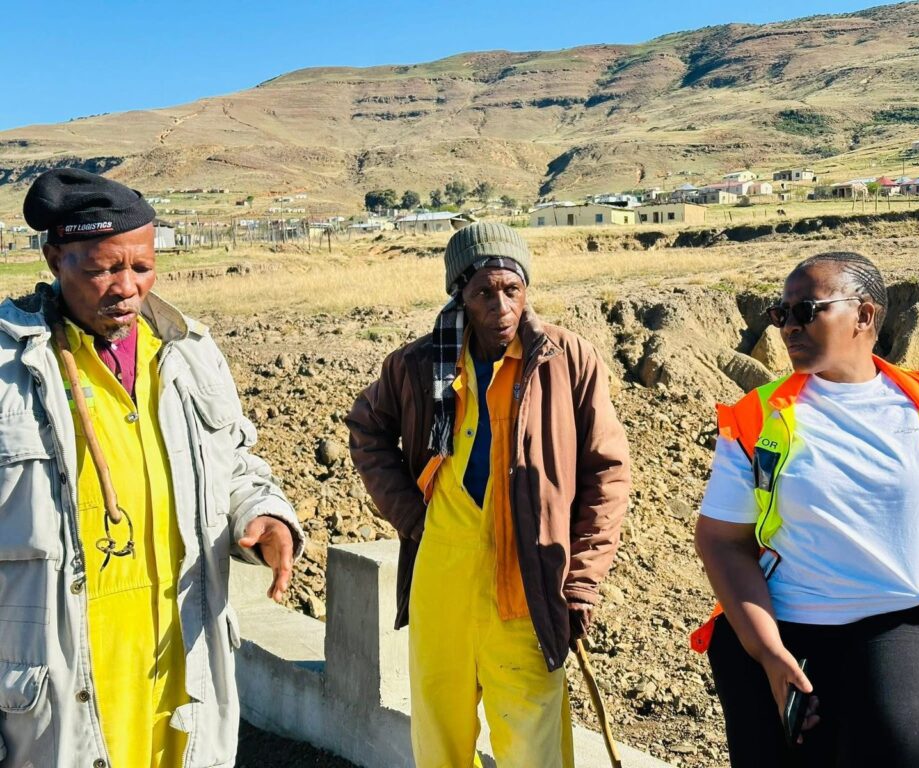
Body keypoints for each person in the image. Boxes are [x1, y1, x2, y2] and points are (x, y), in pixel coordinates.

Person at [0, 168, 304, 767]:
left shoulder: (189, 354)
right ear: (55, 258)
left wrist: (264, 515)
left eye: (141, 267)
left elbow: (234, 464)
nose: (126, 288)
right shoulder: (11, 370)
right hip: (57, 689)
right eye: (103, 269)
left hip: (179, 669)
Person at [693, 251, 919, 768]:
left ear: (864, 315)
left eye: (806, 311)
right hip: (787, 628)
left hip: (916, 619)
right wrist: (769, 653)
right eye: (781, 314)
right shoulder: (757, 418)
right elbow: (721, 540)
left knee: (911, 750)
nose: (787, 327)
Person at [346, 221, 630, 767]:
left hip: (527, 581)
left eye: (512, 290)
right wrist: (412, 516)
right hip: (442, 581)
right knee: (440, 741)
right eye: (484, 293)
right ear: (460, 295)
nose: (501, 307)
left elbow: (608, 473)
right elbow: (367, 428)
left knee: (532, 748)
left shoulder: (566, 360)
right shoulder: (419, 364)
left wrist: (581, 581)